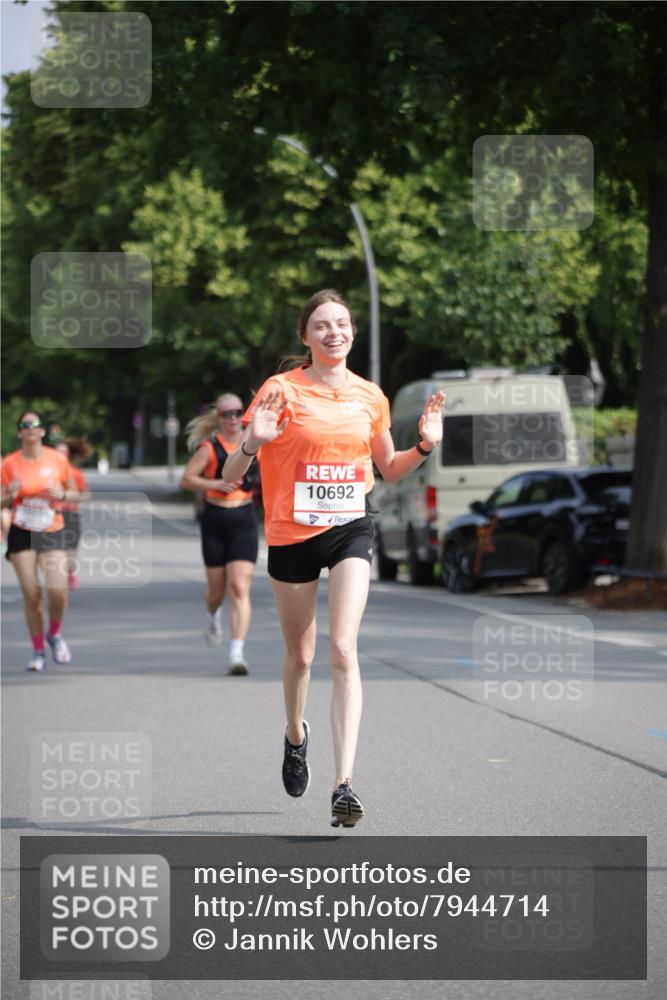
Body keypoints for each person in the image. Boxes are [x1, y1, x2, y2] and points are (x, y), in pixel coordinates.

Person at [223, 289, 445, 827]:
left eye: (342, 324)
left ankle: (343, 783)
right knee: (300, 657)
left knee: (343, 649)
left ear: (352, 332)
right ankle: (296, 735)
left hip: (349, 528)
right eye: (321, 325)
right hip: (291, 533)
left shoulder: (371, 396)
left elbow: (388, 469)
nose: (334, 333)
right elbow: (231, 476)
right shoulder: (280, 391)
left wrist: (424, 447)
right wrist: (253, 442)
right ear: (305, 336)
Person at [181, 394, 260, 676]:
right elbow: (187, 479)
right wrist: (216, 483)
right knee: (216, 592)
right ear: (219, 418)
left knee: (239, 587)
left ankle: (236, 652)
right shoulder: (209, 448)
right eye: (227, 414)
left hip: (244, 518)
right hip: (215, 518)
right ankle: (213, 614)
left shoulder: (254, 442)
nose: (233, 419)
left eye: (238, 413)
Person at [1, 411, 80, 671]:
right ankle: (37, 651)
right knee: (32, 595)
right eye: (25, 425)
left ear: (42, 431)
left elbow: (75, 494)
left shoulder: (57, 459)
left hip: (52, 527)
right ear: (19, 433)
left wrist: (63, 493)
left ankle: (54, 634)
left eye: (35, 425)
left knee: (58, 590)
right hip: (22, 529)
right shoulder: (9, 463)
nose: (30, 429)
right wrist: (8, 495)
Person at [54, 437, 92, 590]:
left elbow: (86, 494)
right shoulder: (46, 471)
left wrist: (75, 498)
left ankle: (70, 573)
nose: (60, 454)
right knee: (54, 550)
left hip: (70, 514)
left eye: (63, 452)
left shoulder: (76, 473)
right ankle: (57, 576)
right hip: (52, 515)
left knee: (70, 550)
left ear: (68, 455)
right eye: (57, 452)